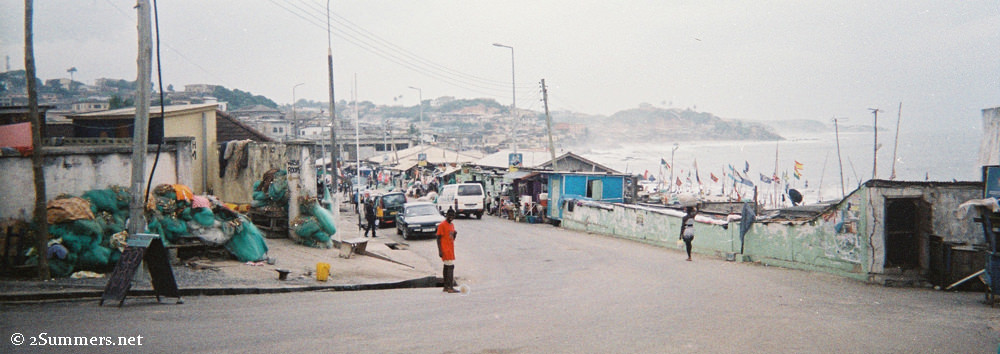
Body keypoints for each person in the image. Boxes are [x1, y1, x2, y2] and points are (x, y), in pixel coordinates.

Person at [436, 209, 459, 293]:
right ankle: (450, 287)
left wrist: (455, 235)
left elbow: (452, 238)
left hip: (451, 249)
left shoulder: (452, 225)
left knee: (446, 267)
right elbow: (438, 238)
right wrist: (440, 251)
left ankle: (446, 286)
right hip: (445, 249)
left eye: (452, 216)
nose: (451, 218)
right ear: (446, 215)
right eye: (449, 216)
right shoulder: (442, 225)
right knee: (450, 267)